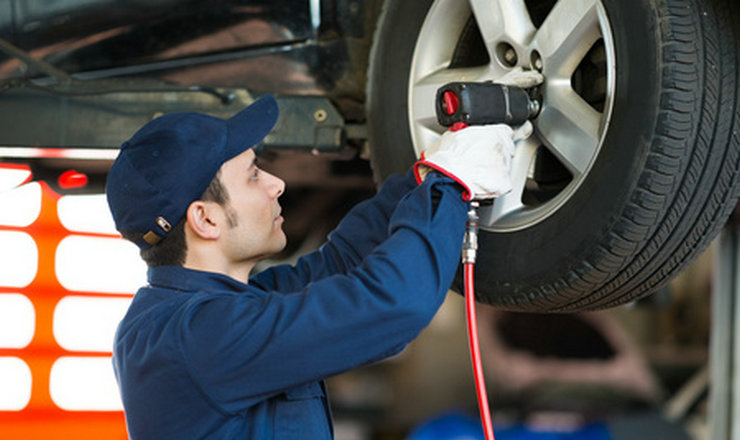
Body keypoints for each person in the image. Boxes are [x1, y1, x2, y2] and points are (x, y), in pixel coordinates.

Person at [105, 93, 527, 439]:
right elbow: (390, 305)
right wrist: (448, 186)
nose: (277, 183)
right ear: (206, 220)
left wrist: (429, 170)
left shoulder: (208, 311)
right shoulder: (195, 338)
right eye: (254, 176)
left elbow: (341, 266)